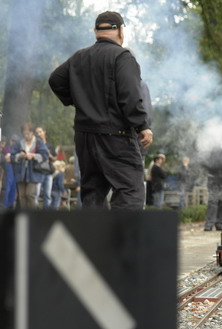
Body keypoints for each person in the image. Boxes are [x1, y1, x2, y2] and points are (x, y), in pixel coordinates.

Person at [48, 10, 152, 209]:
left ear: (95, 31)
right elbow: (130, 96)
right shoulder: (122, 57)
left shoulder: (79, 57)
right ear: (120, 31)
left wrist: (77, 101)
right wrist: (142, 126)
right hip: (116, 137)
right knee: (130, 193)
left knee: (92, 195)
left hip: (85, 137)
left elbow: (55, 80)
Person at [10, 122, 50, 209]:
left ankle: (33, 214)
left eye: (28, 133)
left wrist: (34, 156)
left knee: (29, 194)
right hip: (20, 173)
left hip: (33, 173)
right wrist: (19, 156)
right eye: (24, 133)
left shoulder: (38, 142)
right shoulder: (19, 143)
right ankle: (25, 214)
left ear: (32, 132)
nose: (26, 135)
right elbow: (12, 155)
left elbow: (45, 155)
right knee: (22, 196)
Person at [35, 126, 55, 209]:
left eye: (40, 132)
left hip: (48, 172)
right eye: (37, 133)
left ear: (44, 132)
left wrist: (49, 155)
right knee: (36, 194)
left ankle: (46, 213)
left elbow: (55, 158)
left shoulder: (50, 145)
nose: (39, 134)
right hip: (38, 171)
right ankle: (35, 212)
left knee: (47, 194)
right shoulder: (35, 145)